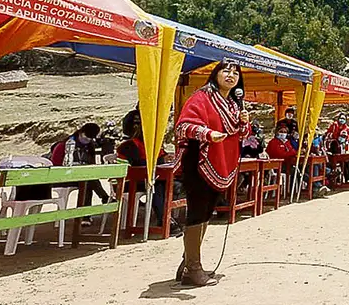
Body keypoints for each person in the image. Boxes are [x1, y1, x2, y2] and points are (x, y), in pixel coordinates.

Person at [172, 61, 250, 287]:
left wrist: (244, 122)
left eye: (236, 72)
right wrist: (207, 133)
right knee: (197, 211)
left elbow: (240, 133)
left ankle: (187, 262)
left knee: (206, 211)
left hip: (221, 162)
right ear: (215, 74)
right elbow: (183, 126)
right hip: (199, 160)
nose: (231, 75)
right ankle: (192, 269)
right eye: (226, 70)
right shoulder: (202, 97)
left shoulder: (234, 104)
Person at [116, 108, 182, 236]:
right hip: (129, 181)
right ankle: (164, 220)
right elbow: (138, 165)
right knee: (156, 185)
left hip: (147, 178)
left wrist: (162, 158)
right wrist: (159, 160)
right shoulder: (129, 145)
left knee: (166, 184)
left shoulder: (149, 145)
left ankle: (164, 219)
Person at [50, 124, 111, 220]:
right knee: (88, 181)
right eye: (86, 138)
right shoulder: (63, 145)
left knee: (87, 182)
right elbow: (56, 165)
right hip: (62, 177)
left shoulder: (89, 147)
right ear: (81, 133)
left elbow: (91, 165)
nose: (88, 141)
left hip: (81, 177)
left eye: (90, 139)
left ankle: (86, 215)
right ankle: (103, 198)